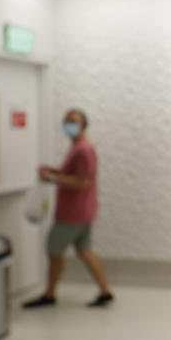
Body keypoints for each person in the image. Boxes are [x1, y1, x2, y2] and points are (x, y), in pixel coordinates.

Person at [23, 109, 113, 308]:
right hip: (83, 211)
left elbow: (82, 182)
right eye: (66, 121)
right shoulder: (77, 147)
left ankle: (49, 294)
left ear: (83, 124)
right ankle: (105, 290)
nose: (69, 124)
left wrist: (53, 178)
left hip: (73, 213)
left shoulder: (84, 150)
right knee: (84, 250)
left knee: (54, 249)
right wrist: (54, 171)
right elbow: (74, 174)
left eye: (73, 121)